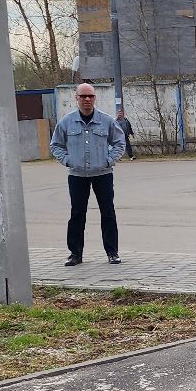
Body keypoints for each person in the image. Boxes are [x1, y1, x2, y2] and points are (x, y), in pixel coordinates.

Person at [50, 82, 127, 266]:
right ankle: (75, 254)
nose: (87, 99)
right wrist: (68, 161)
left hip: (103, 174)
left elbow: (119, 143)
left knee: (107, 212)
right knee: (77, 214)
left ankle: (112, 252)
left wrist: (109, 160)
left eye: (90, 96)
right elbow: (55, 145)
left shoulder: (106, 120)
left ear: (95, 98)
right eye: (83, 96)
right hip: (77, 176)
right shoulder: (66, 122)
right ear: (76, 98)